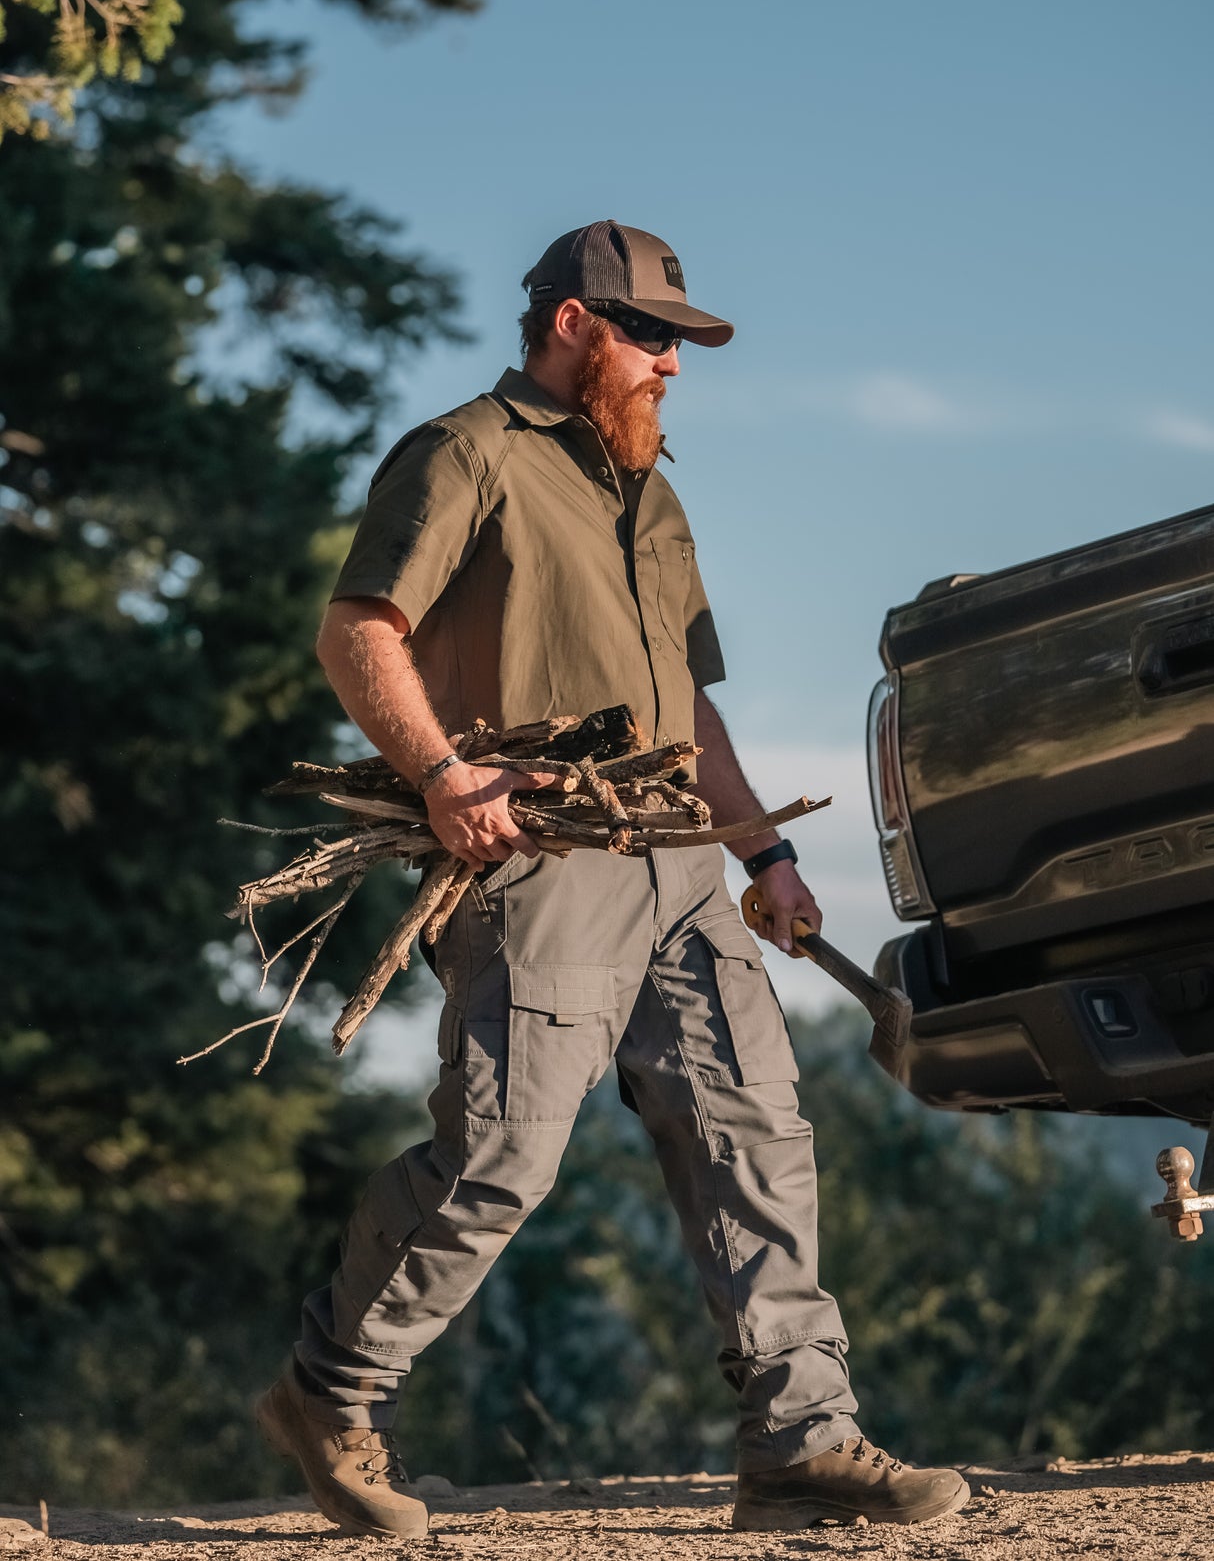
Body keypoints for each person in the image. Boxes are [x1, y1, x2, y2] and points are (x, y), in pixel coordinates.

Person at [255, 221, 969, 1536]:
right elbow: (357, 628)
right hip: (543, 862)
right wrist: (438, 774)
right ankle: (332, 1391)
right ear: (574, 321)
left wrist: (760, 848)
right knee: (503, 1158)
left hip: (682, 862)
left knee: (752, 1125)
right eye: (651, 335)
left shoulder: (653, 489)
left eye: (679, 343)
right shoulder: (464, 454)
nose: (671, 365)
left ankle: (798, 1441)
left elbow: (684, 702)